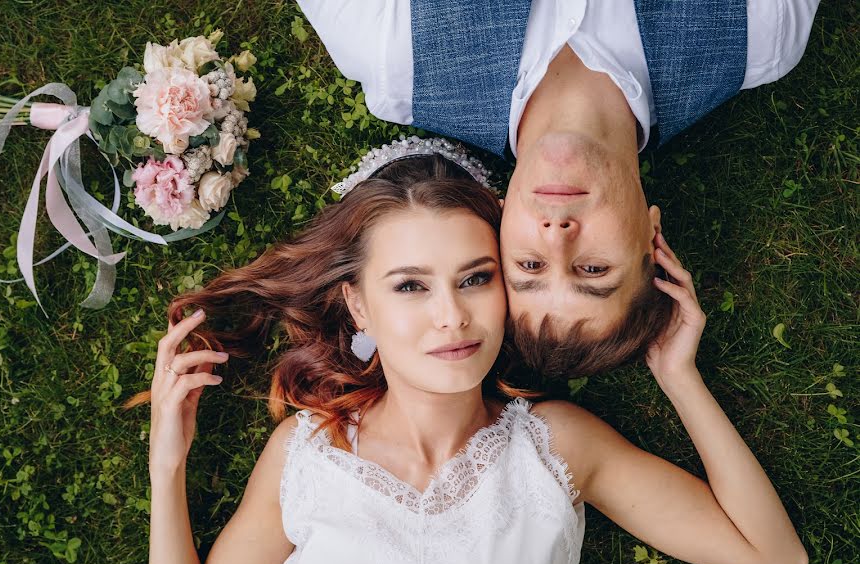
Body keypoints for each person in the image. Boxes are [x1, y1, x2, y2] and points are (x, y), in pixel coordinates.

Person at [130, 139, 808, 564]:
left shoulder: (557, 448)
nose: (452, 317)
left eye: (476, 278)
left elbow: (774, 557)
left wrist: (679, 377)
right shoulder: (307, 456)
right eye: (410, 286)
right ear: (358, 307)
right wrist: (167, 468)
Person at [295, 0, 821, 378]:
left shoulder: (395, 57)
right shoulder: (759, 33)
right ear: (653, 240)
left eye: (529, 267)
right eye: (593, 270)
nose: (558, 236)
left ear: (498, 223)